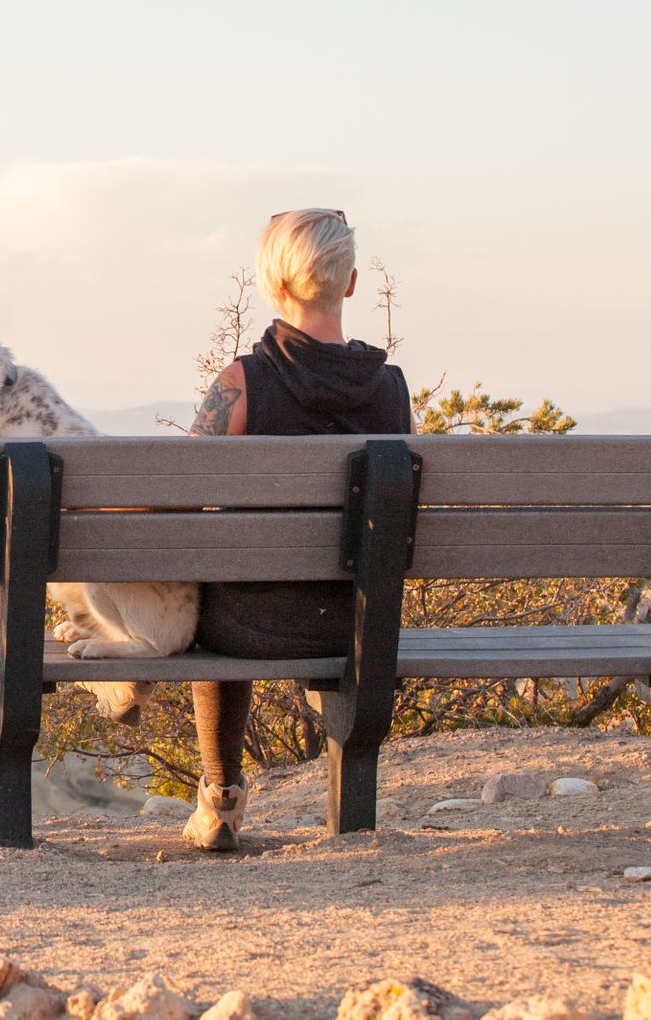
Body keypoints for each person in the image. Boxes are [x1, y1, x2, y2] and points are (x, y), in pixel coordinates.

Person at [182, 208, 413, 851]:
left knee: (217, 600)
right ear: (352, 283)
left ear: (272, 285)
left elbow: (177, 495)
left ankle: (222, 794)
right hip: (359, 623)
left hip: (249, 627)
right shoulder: (391, 390)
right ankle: (354, 803)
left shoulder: (240, 385)